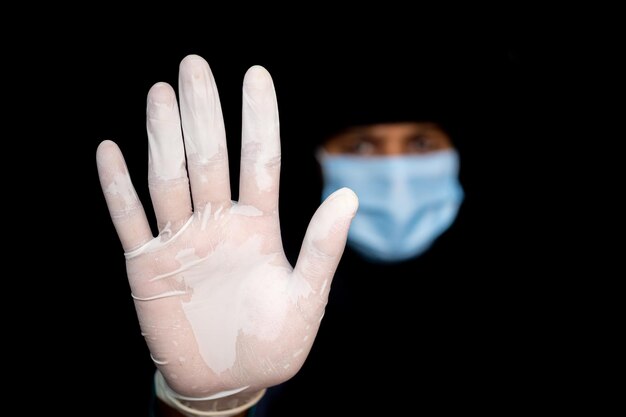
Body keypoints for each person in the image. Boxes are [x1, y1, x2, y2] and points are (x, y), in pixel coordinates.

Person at [97, 54, 489, 416]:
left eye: (421, 143)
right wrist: (212, 406)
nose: (396, 175)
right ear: (320, 160)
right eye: (362, 145)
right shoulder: (259, 286)